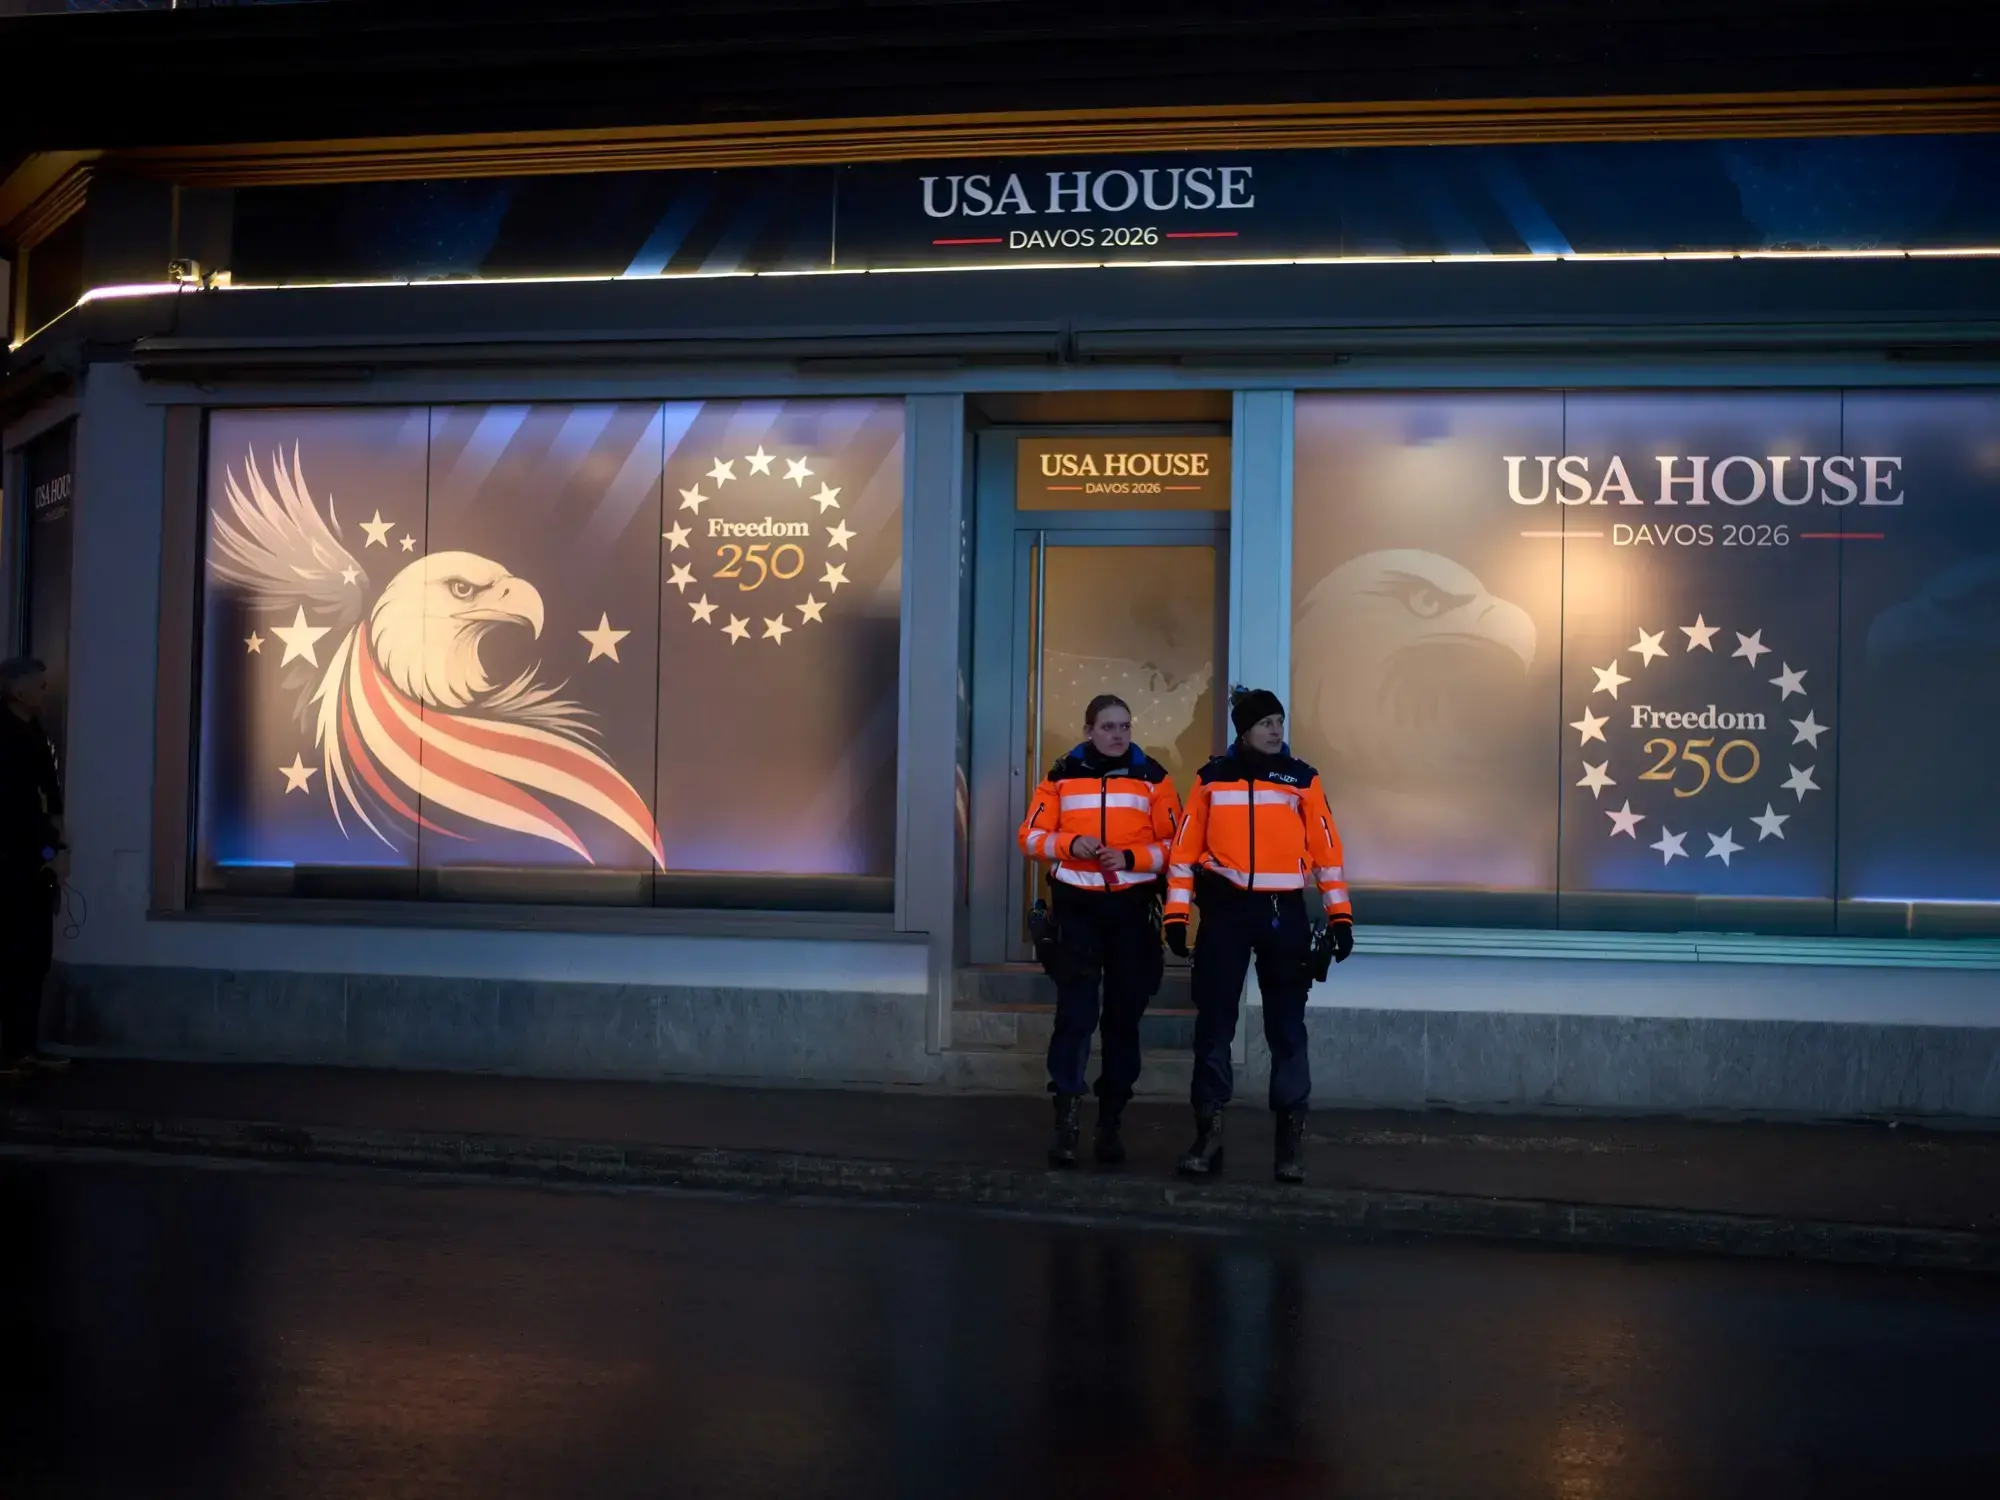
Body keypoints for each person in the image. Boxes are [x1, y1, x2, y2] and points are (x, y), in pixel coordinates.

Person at [1163, 687, 1353, 1183]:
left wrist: (1340, 917)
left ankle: (1289, 1144)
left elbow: (1326, 853)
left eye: (1279, 722)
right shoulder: (1210, 779)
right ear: (1243, 730)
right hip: (1225, 912)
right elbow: (1183, 854)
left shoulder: (1301, 779)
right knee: (1215, 1024)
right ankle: (1209, 1134)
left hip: (1282, 913)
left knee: (1287, 1029)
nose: (1275, 730)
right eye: (1265, 722)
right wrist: (1177, 916)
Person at [1017, 694, 1182, 1167]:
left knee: (1122, 1022)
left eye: (1124, 726)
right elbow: (1029, 836)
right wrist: (1071, 844)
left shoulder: (1154, 778)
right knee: (1074, 1017)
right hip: (1077, 911)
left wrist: (1131, 858)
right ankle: (1067, 1124)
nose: (1117, 735)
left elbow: (1175, 847)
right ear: (1088, 730)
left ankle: (1110, 1123)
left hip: (1131, 912)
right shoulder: (1060, 775)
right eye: (1108, 727)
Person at [0, 657, 65, 1079]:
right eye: (40, 686)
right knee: (15, 954)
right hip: (13, 866)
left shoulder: (35, 733)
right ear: (18, 691)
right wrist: (47, 854)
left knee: (35, 956)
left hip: (36, 863)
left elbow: (47, 795)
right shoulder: (6, 738)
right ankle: (11, 1053)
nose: (47, 693)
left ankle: (24, 1049)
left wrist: (56, 847)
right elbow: (18, 811)